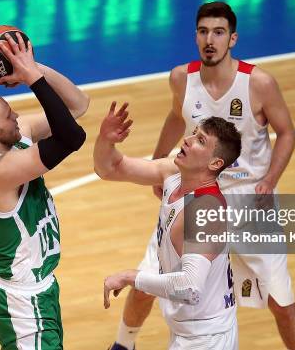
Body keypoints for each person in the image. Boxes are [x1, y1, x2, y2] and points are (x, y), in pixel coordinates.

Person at [110, 2, 295, 350]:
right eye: (203, 32)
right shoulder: (180, 78)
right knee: (146, 283)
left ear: (232, 38)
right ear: (195, 36)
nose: (209, 40)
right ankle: (123, 345)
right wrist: (159, 163)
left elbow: (287, 133)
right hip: (196, 193)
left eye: (218, 32)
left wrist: (270, 179)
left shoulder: (259, 83)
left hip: (249, 199)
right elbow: (176, 117)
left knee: (279, 299)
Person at [0, 33, 89, 350]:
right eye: (8, 115)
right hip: (22, 301)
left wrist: (29, 66)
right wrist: (34, 80)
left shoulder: (15, 135)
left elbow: (77, 105)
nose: (17, 116)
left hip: (41, 290)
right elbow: (71, 137)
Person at [95, 101, 242, 350]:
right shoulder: (174, 174)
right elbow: (109, 168)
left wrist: (131, 277)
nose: (187, 140)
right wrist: (105, 139)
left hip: (206, 339)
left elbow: (189, 288)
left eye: (201, 141)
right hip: (187, 330)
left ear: (216, 163)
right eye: (194, 133)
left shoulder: (205, 211)